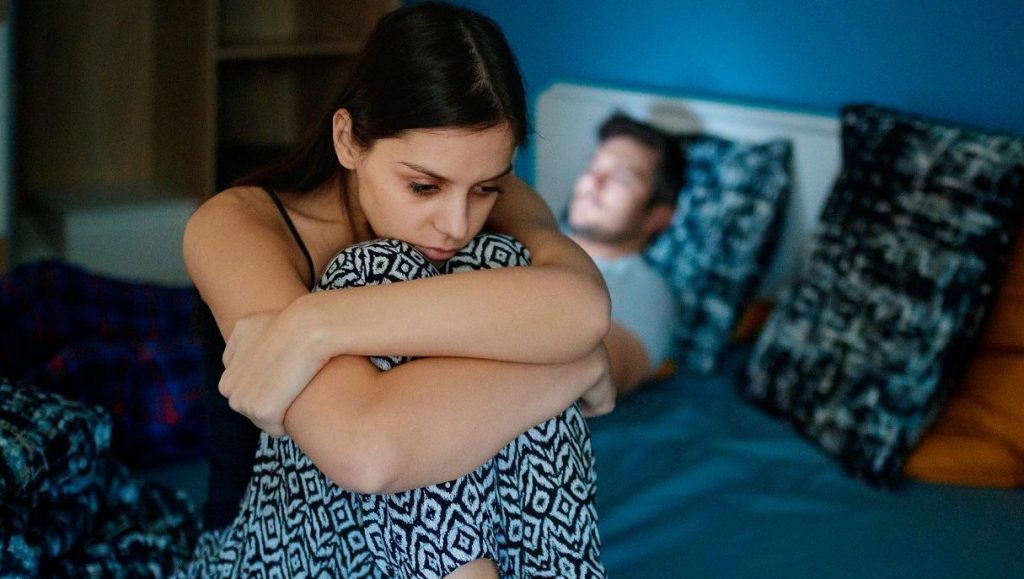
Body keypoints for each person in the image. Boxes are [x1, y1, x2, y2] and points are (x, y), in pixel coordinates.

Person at [178, 3, 611, 578]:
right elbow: (366, 450)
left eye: (485, 187)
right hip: (283, 547)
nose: (456, 223)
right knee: (385, 267)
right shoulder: (236, 224)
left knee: (500, 264)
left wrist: (318, 323)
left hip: (460, 535)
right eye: (423, 185)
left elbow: (583, 306)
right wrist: (576, 367)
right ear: (349, 140)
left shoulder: (494, 209)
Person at [564, 113, 684, 398]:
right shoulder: (526, 231)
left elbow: (584, 375)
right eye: (593, 166)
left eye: (621, 177)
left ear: (658, 216)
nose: (595, 181)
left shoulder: (648, 292)